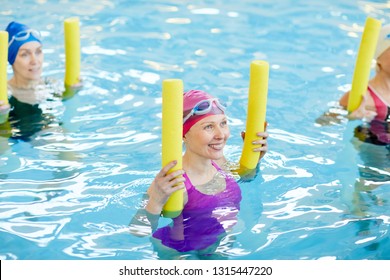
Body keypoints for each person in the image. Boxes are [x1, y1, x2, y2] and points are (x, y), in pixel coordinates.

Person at [130, 89, 268, 257]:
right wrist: (157, 200)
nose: (221, 135)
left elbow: (245, 178)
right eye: (209, 127)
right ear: (184, 134)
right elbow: (138, 231)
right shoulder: (173, 180)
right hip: (179, 251)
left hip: (217, 240)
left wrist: (255, 160)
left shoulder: (218, 162)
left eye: (223, 123)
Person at [0, 21, 77, 141]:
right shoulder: (3, 94)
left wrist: (73, 90)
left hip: (47, 135)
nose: (35, 61)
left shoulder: (51, 84)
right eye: (25, 54)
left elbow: (66, 103)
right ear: (11, 59)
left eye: (38, 51)